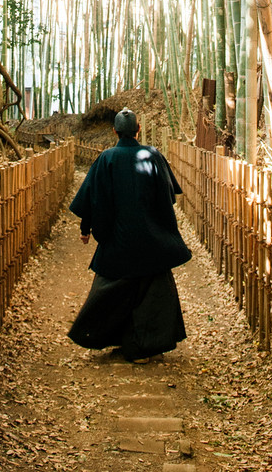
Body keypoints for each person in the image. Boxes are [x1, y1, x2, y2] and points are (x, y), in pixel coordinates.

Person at [67, 107, 191, 361]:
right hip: (151, 239)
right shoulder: (153, 155)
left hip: (117, 240)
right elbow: (167, 198)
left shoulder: (107, 158)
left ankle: (114, 339)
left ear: (114, 131)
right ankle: (144, 346)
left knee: (111, 290)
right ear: (139, 129)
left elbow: (93, 197)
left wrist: (86, 229)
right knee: (151, 291)